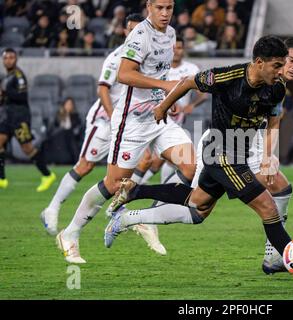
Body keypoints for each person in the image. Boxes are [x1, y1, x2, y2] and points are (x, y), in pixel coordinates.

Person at [104, 35, 293, 288]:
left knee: (198, 204)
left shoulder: (276, 88)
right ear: (259, 62)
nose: (284, 71)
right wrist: (163, 107)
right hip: (221, 152)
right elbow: (189, 81)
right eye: (279, 65)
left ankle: (134, 191)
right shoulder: (228, 77)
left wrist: (269, 158)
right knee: (268, 207)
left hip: (239, 153)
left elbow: (274, 121)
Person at [55, 0, 196, 264]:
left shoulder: (171, 33)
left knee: (191, 168)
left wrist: (168, 98)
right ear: (149, 6)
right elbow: (125, 74)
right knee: (113, 184)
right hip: (132, 121)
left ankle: (146, 217)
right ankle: (70, 233)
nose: (165, 13)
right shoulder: (139, 35)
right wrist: (166, 86)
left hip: (158, 117)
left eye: (169, 8)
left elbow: (160, 75)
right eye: (160, 8)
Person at [130, 37, 208, 185]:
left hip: (177, 118)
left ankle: (140, 188)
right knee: (153, 160)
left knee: (162, 160)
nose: (176, 51)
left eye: (179, 48)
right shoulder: (160, 67)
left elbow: (203, 94)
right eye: (174, 48)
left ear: (183, 50)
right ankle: (136, 188)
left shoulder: (191, 69)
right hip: (155, 116)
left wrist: (192, 105)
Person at [0, 48, 56, 191]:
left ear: (16, 59)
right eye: (6, 58)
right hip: (7, 115)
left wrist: (5, 92)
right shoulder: (6, 77)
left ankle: (47, 175)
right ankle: (2, 179)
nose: (8, 60)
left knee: (27, 148)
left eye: (11, 57)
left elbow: (22, 96)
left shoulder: (18, 76)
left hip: (20, 116)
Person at [53, 97, 82, 163]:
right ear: (64, 105)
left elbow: (76, 126)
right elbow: (56, 125)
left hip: (71, 135)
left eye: (70, 104)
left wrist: (69, 114)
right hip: (60, 135)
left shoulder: (75, 115)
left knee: (70, 136)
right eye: (67, 104)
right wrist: (64, 115)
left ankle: (75, 160)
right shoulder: (59, 114)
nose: (69, 106)